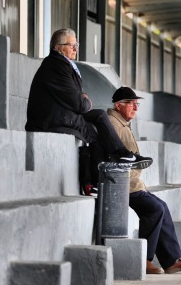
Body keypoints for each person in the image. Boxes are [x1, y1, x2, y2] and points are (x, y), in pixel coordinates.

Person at [25, 29, 153, 188]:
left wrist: (82, 98)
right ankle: (115, 161)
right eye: (71, 45)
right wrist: (85, 100)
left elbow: (76, 97)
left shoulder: (63, 65)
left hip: (61, 116)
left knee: (97, 123)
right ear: (58, 48)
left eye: (76, 45)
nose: (75, 49)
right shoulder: (56, 66)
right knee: (96, 126)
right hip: (51, 120)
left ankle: (100, 175)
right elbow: (79, 104)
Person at [108, 86, 181, 274]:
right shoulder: (112, 123)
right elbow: (114, 154)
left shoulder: (121, 122)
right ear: (118, 106)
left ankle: (172, 259)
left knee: (162, 207)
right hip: (123, 184)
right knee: (155, 209)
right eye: (131, 104)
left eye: (137, 104)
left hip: (133, 183)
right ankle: (145, 260)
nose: (135, 107)